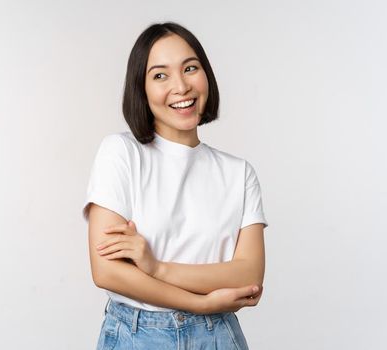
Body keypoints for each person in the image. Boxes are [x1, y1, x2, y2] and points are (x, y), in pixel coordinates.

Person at [82, 22, 268, 350]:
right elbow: (108, 272)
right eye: (160, 75)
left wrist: (156, 267)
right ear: (141, 89)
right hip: (137, 336)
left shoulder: (239, 173)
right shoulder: (121, 152)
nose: (181, 86)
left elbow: (247, 274)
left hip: (217, 336)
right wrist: (201, 303)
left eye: (190, 68)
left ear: (206, 75)